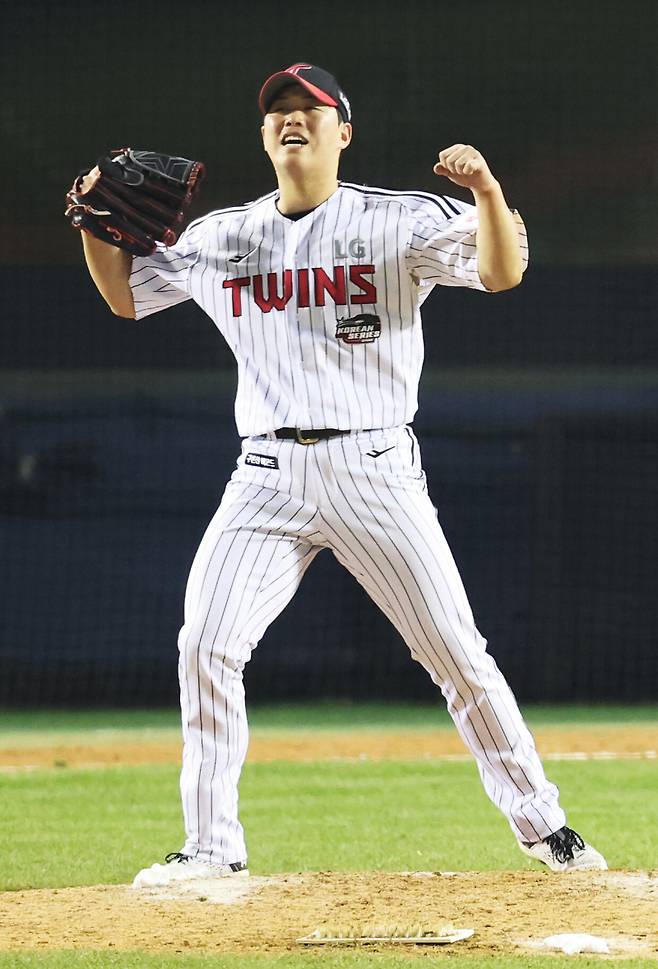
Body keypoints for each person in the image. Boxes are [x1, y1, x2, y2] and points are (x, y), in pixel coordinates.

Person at [79, 63, 607, 882]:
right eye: (279, 112)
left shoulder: (397, 220)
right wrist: (92, 224)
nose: (293, 119)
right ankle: (211, 847)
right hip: (264, 474)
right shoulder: (221, 236)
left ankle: (549, 828)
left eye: (310, 111)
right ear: (264, 136)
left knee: (456, 654)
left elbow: (503, 271)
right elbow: (126, 299)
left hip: (373, 465)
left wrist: (490, 194)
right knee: (206, 646)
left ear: (342, 133)